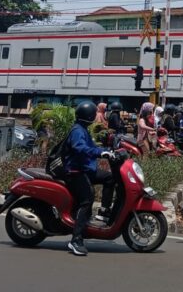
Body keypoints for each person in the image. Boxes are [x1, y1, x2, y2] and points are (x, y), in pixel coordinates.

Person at [65, 101, 117, 256]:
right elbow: (79, 148)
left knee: (110, 177)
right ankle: (76, 240)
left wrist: (106, 151)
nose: (95, 117)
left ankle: (104, 212)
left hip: (86, 169)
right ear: (89, 116)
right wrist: (99, 153)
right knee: (87, 199)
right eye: (94, 114)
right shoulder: (77, 131)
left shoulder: (83, 129)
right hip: (75, 172)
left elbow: (92, 147)